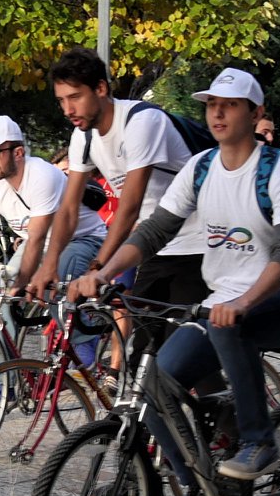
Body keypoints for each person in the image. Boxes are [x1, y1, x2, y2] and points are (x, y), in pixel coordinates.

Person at [72, 68, 280, 496]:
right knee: (155, 384)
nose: (218, 113)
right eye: (211, 105)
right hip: (221, 300)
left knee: (232, 325)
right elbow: (153, 232)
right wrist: (103, 273)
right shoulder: (201, 166)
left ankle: (260, 442)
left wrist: (247, 299)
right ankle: (199, 490)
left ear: (257, 113)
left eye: (230, 105)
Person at [31, 49, 204, 320]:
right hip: (156, 246)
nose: (67, 110)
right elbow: (68, 209)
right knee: (142, 354)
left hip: (199, 245)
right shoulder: (83, 137)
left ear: (100, 88)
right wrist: (49, 264)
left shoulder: (142, 120)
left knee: (176, 357)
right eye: (61, 100)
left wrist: (98, 268)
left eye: (75, 97)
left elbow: (130, 206)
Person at [0, 116, 109, 397]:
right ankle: (5, 383)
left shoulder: (41, 175)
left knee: (59, 274)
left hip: (83, 238)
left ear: (18, 152)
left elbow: (36, 238)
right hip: (42, 241)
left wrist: (21, 283)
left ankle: (85, 348)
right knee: (0, 301)